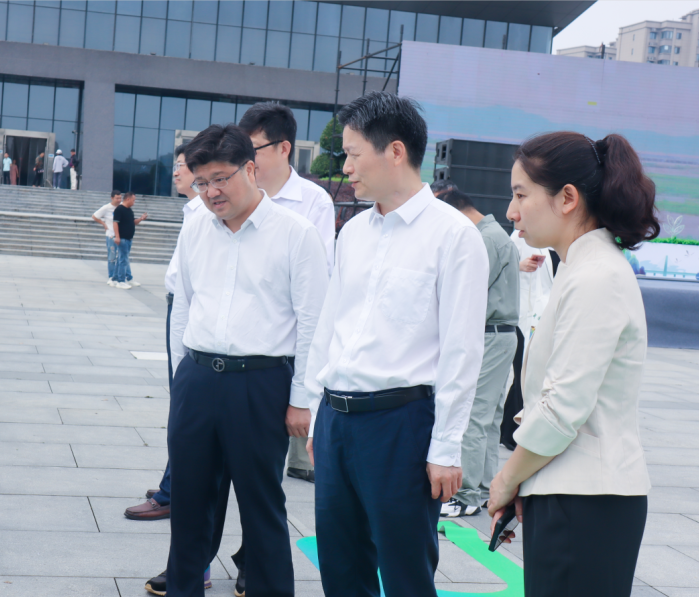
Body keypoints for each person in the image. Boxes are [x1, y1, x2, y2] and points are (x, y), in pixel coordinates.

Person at [304, 91, 488, 597]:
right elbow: (329, 327)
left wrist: (446, 447)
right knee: (340, 567)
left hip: (400, 425)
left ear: (396, 151)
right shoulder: (354, 232)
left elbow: (462, 351)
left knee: (406, 572)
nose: (346, 167)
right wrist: (317, 412)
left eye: (353, 154)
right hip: (337, 420)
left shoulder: (454, 236)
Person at [488, 132, 657, 597]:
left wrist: (506, 479)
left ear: (567, 198)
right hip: (574, 496)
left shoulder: (595, 275)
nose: (511, 211)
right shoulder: (580, 268)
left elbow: (562, 408)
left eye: (521, 195)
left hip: (587, 502)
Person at [167, 124, 328, 597]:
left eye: (221, 178)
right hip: (198, 378)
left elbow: (313, 322)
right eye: (201, 182)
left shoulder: (296, 234)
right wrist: (180, 378)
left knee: (262, 506)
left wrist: (301, 399)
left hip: (260, 384)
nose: (211, 192)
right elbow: (184, 305)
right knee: (189, 504)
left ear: (251, 169)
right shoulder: (195, 226)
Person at [240, 101, 336, 486]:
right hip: (241, 339)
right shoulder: (238, 192)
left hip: (286, 342)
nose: (246, 159)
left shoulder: (314, 202)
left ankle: (298, 462)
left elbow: (317, 282)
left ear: (284, 148)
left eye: (254, 150)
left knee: (270, 462)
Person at [126, 143, 207, 528]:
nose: (176, 172)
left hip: (189, 311)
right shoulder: (192, 210)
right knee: (182, 402)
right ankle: (175, 484)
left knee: (185, 406)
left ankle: (174, 492)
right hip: (179, 305)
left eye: (182, 165)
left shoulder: (205, 211)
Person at [430, 183, 520, 519]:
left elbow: (465, 293)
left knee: (472, 415)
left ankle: (465, 493)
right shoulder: (494, 235)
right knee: (489, 416)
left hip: (490, 334)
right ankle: (480, 489)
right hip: (500, 334)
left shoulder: (482, 239)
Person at [499, 229, 554, 450]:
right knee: (524, 373)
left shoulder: (546, 242)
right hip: (524, 315)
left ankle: (508, 430)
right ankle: (511, 433)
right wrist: (520, 266)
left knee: (525, 374)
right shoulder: (517, 237)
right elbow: (501, 268)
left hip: (537, 315)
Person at [111, 192, 147, 289]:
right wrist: (117, 236)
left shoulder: (129, 210)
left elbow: (133, 222)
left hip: (128, 238)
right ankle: (121, 281)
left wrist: (141, 219)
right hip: (122, 238)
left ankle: (115, 279)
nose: (134, 202)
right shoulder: (119, 209)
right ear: (128, 199)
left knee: (121, 259)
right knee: (123, 260)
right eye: (133, 200)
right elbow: (115, 223)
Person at [92, 191, 123, 285]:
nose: (119, 200)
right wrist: (104, 224)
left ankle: (124, 277)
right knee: (112, 257)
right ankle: (111, 277)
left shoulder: (122, 207)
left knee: (122, 257)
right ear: (112, 198)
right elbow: (94, 216)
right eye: (117, 198)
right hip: (111, 235)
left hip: (121, 235)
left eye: (120, 198)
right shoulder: (106, 208)